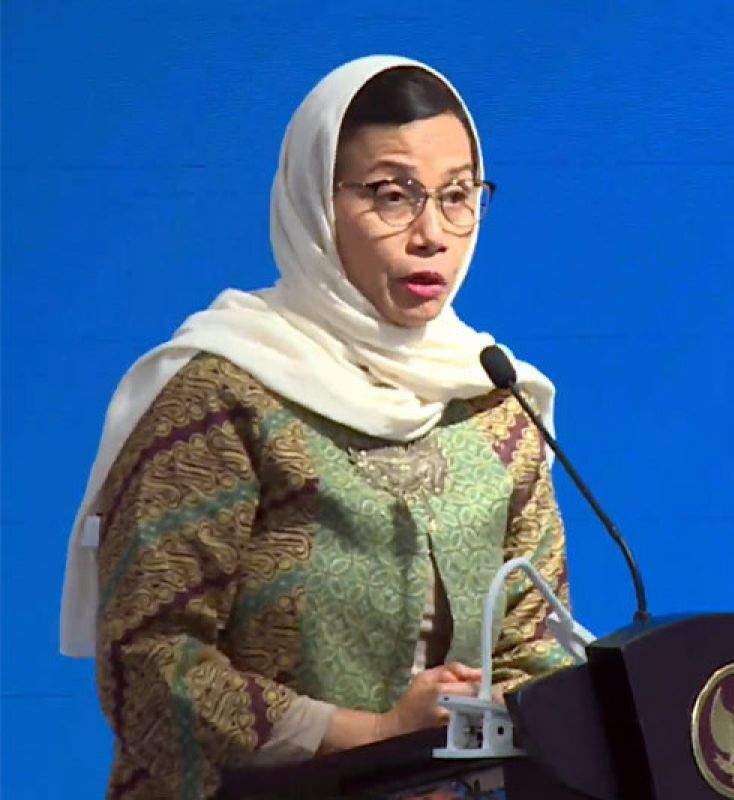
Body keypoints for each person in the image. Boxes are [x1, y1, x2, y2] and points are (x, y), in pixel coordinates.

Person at [57, 55, 575, 800]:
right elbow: (149, 664)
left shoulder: (493, 400)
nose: (432, 234)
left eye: (458, 196)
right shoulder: (226, 393)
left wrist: (489, 724)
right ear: (315, 204)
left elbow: (538, 646)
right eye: (392, 195)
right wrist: (371, 736)